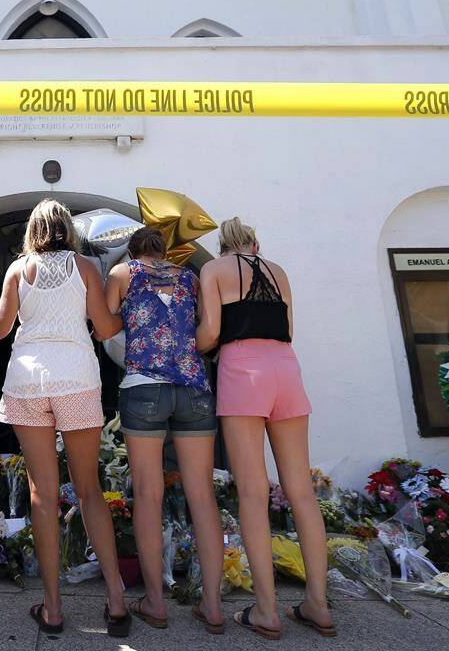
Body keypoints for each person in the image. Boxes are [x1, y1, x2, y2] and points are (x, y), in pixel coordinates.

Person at [0, 199, 131, 638]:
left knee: (42, 494)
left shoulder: (17, 269)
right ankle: (117, 601)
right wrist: (131, 313)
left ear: (33, 231)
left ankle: (52, 608)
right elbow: (103, 328)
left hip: (28, 381)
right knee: (89, 491)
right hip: (77, 379)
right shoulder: (85, 268)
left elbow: (2, 328)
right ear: (68, 228)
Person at [196, 217, 336, 638]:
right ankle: (318, 603)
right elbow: (288, 330)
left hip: (243, 372)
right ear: (255, 243)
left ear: (223, 246)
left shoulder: (214, 270)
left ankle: (267, 610)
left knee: (253, 493)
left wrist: (195, 344)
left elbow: (210, 334)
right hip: (286, 371)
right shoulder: (279, 271)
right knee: (302, 492)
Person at [104, 226, 225, 634]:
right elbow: (207, 329)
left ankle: (155, 602)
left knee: (149, 496)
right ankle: (212, 605)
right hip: (194, 388)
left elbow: (106, 326)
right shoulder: (190, 277)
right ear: (164, 251)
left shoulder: (123, 274)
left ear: (133, 249)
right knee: (202, 496)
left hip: (144, 388)